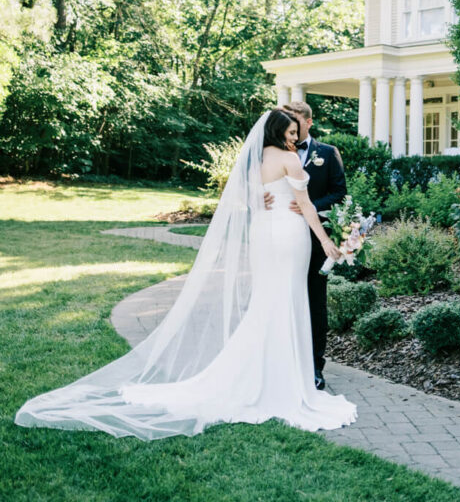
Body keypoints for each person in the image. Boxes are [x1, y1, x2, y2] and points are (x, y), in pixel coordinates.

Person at [15, 110, 357, 439]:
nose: (296, 138)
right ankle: (283, 382)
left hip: (264, 234)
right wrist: (326, 241)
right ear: (279, 132)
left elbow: (245, 197)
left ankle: (261, 373)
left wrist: (261, 200)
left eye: (297, 134)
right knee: (287, 301)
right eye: (291, 133)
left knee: (269, 301)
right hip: (288, 234)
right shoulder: (289, 159)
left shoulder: (256, 159)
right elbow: (308, 206)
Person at [281, 101, 346, 391]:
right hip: (280, 240)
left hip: (315, 242)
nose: (290, 132)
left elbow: (339, 194)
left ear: (309, 122)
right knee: (282, 301)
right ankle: (282, 364)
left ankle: (315, 367)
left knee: (315, 304)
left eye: (295, 124)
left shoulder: (328, 153)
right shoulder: (273, 153)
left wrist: (308, 207)